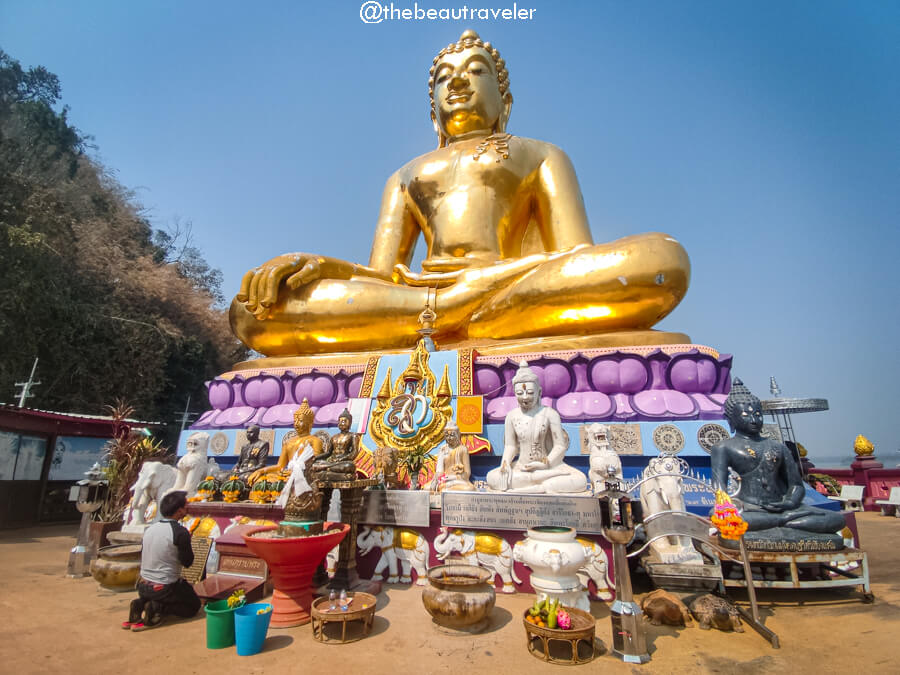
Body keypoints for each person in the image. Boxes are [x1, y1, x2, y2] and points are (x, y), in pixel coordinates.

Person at [230, 30, 691, 357]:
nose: (457, 82)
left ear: (503, 99)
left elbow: (572, 256)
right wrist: (322, 267)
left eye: (475, 71)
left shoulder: (541, 154)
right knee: (253, 310)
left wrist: (495, 278)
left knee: (661, 261)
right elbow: (381, 274)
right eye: (443, 77)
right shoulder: (406, 174)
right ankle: (457, 314)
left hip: (516, 285)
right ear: (434, 108)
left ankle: (457, 317)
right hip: (424, 298)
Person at [710, 379, 845, 536]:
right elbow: (719, 489)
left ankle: (779, 522)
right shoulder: (724, 447)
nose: (754, 420)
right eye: (746, 415)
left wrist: (789, 502)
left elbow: (796, 486)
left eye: (758, 414)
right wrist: (727, 507)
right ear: (730, 419)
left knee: (836, 519)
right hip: (749, 508)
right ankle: (785, 522)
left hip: (782, 508)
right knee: (723, 516)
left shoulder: (778, 447)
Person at [486, 362, 587, 494]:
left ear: (539, 392)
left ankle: (538, 485)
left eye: (529, 392)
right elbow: (510, 446)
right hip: (521, 468)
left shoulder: (550, 414)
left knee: (580, 480)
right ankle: (542, 484)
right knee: (492, 478)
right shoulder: (511, 416)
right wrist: (505, 463)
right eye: (519, 393)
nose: (525, 397)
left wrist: (546, 463)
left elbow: (560, 446)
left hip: (548, 467)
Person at [123, 491, 200, 631]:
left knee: (176, 589)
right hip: (164, 588)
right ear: (179, 510)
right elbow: (187, 562)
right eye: (186, 506)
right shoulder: (180, 532)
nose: (188, 508)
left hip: (142, 585)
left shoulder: (150, 529)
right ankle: (157, 608)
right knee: (193, 606)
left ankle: (139, 604)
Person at [248, 399, 323, 486]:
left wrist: (295, 472)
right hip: (287, 474)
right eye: (295, 421)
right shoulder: (288, 442)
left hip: (304, 475)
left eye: (301, 421)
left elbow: (315, 464)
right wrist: (260, 471)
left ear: (310, 423)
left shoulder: (315, 441)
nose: (297, 424)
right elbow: (280, 466)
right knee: (261, 480)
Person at [309, 408, 360, 483]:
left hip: (343, 462)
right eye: (340, 421)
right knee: (314, 465)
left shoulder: (353, 436)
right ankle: (337, 474)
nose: (342, 423)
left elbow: (354, 452)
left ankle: (325, 472)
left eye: (344, 421)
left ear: (350, 423)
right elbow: (328, 453)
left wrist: (341, 459)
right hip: (332, 462)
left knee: (349, 467)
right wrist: (315, 458)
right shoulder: (334, 437)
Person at [430, 421, 475, 492]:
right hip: (445, 479)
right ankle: (444, 488)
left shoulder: (463, 449)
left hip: (458, 481)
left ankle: (445, 489)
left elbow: (467, 473)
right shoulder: (442, 449)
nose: (449, 438)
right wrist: (436, 477)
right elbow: (440, 470)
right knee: (428, 488)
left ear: (458, 435)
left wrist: (453, 477)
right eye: (447, 435)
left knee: (470, 488)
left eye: (452, 435)